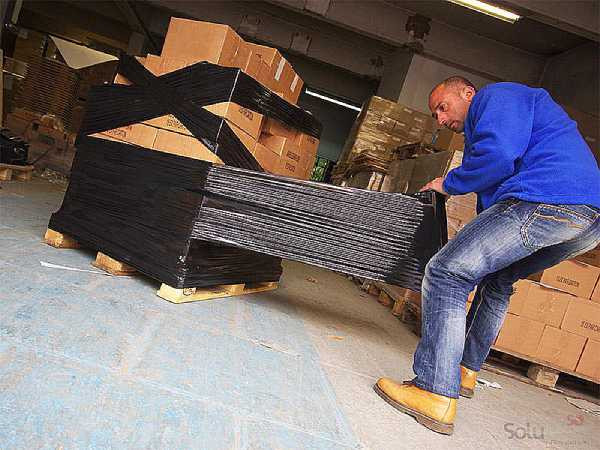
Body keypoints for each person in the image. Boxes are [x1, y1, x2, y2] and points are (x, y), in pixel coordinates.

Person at [373, 77, 600, 435]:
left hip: (548, 200)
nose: (440, 119)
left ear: (467, 93)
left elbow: (499, 155)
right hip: (585, 220)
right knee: (497, 280)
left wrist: (447, 183)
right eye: (435, 115)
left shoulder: (497, 97)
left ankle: (433, 390)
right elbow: (493, 194)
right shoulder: (490, 128)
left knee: (447, 273)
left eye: (443, 107)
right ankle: (464, 370)